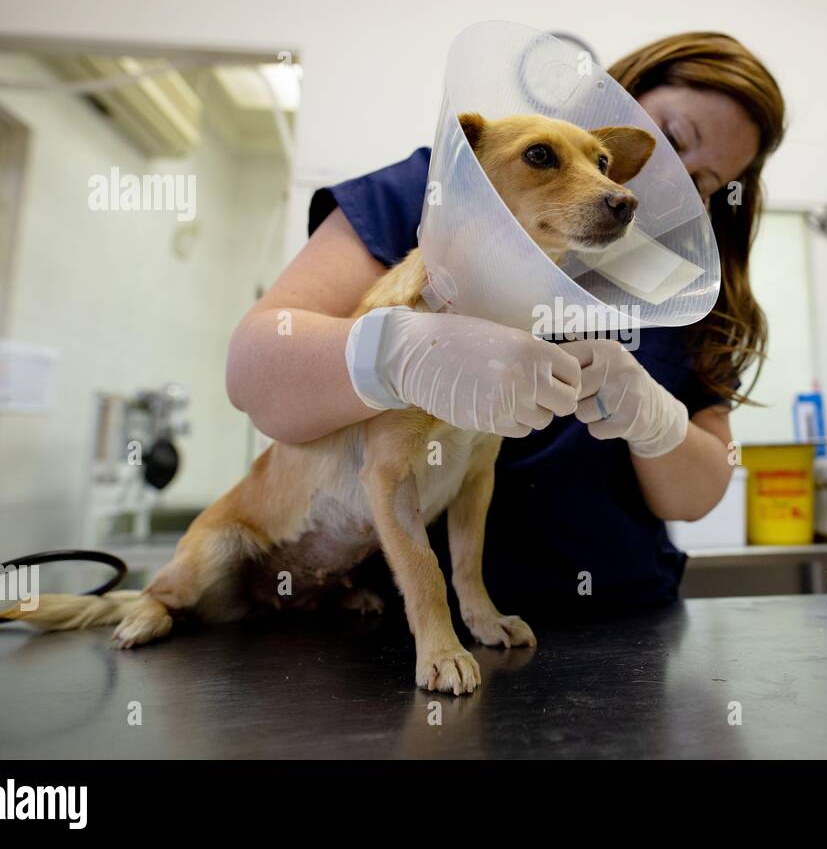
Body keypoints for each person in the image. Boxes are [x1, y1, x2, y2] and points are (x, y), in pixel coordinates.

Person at [226, 32, 785, 618]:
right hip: (404, 636)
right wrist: (398, 353)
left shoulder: (688, 288)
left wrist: (657, 423)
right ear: (619, 93)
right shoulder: (445, 184)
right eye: (670, 141)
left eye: (700, 183)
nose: (660, 183)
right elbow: (253, 369)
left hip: (622, 629)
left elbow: (696, 495)